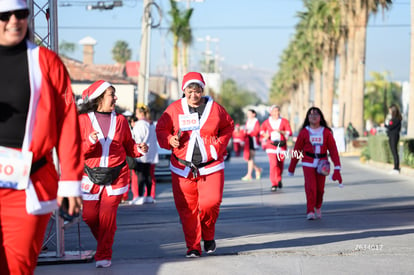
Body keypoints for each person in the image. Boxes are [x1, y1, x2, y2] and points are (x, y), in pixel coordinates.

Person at [0, 1, 83, 274]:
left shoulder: (46, 62)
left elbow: (68, 123)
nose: (14, 20)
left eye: (21, 14)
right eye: (5, 15)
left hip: (25, 186)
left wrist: (70, 183)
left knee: (16, 267)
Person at [156, 72, 234, 258]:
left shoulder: (214, 108)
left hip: (211, 165)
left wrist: (218, 146)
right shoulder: (174, 109)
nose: (193, 95)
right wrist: (169, 139)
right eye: (189, 91)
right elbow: (161, 129)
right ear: (184, 91)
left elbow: (228, 126)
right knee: (187, 209)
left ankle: (208, 236)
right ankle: (193, 246)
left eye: (197, 90)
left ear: (202, 90)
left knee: (210, 203)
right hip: (182, 167)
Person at [78, 80, 148, 268]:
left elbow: (129, 146)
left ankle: (103, 254)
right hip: (90, 175)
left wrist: (139, 149)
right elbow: (75, 151)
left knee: (107, 216)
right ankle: (105, 240)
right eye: (111, 94)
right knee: (89, 216)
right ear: (100, 98)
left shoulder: (121, 120)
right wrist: (89, 143)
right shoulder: (83, 121)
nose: (115, 98)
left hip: (117, 174)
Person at [288, 107, 342, 220]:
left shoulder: (326, 132)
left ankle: (318, 206)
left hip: (322, 164)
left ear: (320, 117)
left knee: (320, 189)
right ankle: (310, 210)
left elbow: (333, 150)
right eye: (311, 114)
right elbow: (297, 150)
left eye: (316, 114)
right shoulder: (304, 132)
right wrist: (292, 167)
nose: (313, 116)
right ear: (308, 117)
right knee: (310, 187)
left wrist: (337, 166)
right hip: (308, 163)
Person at [129, 104, 158, 205]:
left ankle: (140, 196)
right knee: (148, 175)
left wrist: (133, 128)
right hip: (150, 153)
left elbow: (137, 139)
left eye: (137, 113)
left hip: (141, 153)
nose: (136, 115)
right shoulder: (150, 123)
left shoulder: (140, 124)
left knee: (140, 175)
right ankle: (149, 196)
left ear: (141, 113)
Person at [260, 105, 292, 192]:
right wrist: (265, 135)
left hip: (281, 146)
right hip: (271, 146)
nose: (276, 113)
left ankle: (279, 179)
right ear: (271, 113)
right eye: (274, 111)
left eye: (277, 111)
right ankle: (274, 183)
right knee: (273, 164)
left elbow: (289, 132)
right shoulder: (266, 122)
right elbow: (261, 131)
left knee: (280, 165)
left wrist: (281, 131)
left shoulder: (284, 121)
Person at [241, 109, 262, 180]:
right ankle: (257, 169)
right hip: (248, 140)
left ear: (254, 114)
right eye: (247, 114)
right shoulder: (248, 121)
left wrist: (248, 132)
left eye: (250, 113)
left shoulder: (256, 121)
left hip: (253, 140)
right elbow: (246, 130)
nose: (248, 115)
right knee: (248, 158)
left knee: (250, 158)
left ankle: (249, 174)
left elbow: (256, 131)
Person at [385, 104, 402, 174]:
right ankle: (395, 167)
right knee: (393, 151)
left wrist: (385, 125)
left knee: (394, 152)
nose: (389, 112)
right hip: (392, 136)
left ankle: (396, 168)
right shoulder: (394, 118)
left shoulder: (395, 119)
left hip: (394, 136)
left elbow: (390, 127)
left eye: (390, 110)